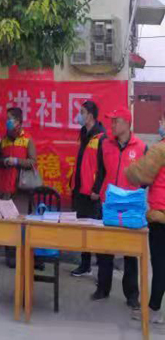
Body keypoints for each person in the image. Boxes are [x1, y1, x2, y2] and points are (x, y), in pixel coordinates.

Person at [90, 107, 147, 310]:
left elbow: (145, 177)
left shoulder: (141, 147)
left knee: (131, 253)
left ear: (127, 123)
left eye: (116, 121)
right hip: (108, 205)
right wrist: (97, 190)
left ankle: (131, 295)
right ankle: (102, 288)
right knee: (104, 249)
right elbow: (101, 170)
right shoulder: (105, 144)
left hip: (130, 207)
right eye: (111, 121)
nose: (112, 125)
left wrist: (135, 196)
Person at [125, 114, 165, 325]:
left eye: (162, 122)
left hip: (161, 216)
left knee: (160, 265)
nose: (160, 125)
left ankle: (154, 309)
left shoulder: (160, 150)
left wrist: (129, 169)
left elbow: (140, 174)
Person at [0, 107, 36, 268]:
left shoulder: (27, 139)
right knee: (7, 223)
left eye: (10, 119)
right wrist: (4, 161)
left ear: (18, 121)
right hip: (4, 187)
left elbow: (33, 162)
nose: (7, 122)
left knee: (20, 222)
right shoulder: (3, 140)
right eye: (7, 119)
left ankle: (22, 255)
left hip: (20, 188)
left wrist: (17, 161)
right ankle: (10, 256)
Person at [70, 100, 106, 278]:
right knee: (83, 230)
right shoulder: (84, 133)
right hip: (80, 189)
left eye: (82, 112)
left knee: (96, 234)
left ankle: (102, 273)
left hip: (92, 193)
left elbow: (103, 168)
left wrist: (97, 190)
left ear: (90, 116)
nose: (79, 115)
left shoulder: (101, 137)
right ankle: (85, 266)